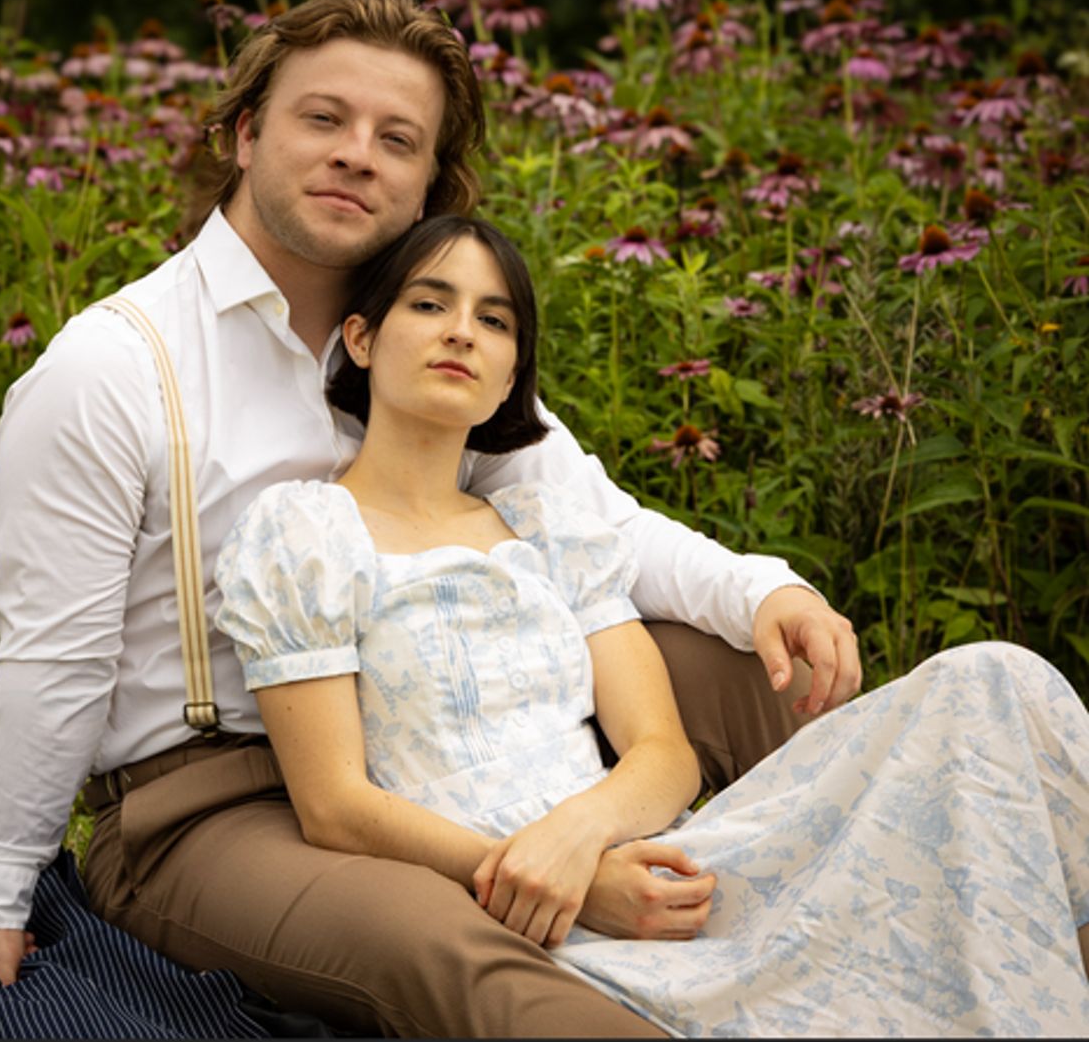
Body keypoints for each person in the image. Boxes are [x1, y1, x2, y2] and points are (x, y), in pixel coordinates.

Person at [0, 0, 859, 1036]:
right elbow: (56, 660)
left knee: (784, 680)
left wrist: (762, 589)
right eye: (321, 118)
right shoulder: (111, 369)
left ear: (428, 179)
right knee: (447, 937)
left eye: (396, 137)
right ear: (244, 134)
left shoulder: (430, 331)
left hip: (449, 712)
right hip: (220, 799)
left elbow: (589, 519)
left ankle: (925, 923)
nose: (355, 154)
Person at [214, 214, 1089, 1036]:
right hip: (517, 903)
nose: (461, 333)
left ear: (514, 370)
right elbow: (333, 804)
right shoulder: (306, 535)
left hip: (646, 860)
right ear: (362, 338)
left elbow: (664, 752)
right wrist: (564, 876)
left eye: (495, 319)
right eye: (430, 304)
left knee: (997, 680)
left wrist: (583, 834)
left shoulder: (549, 531)